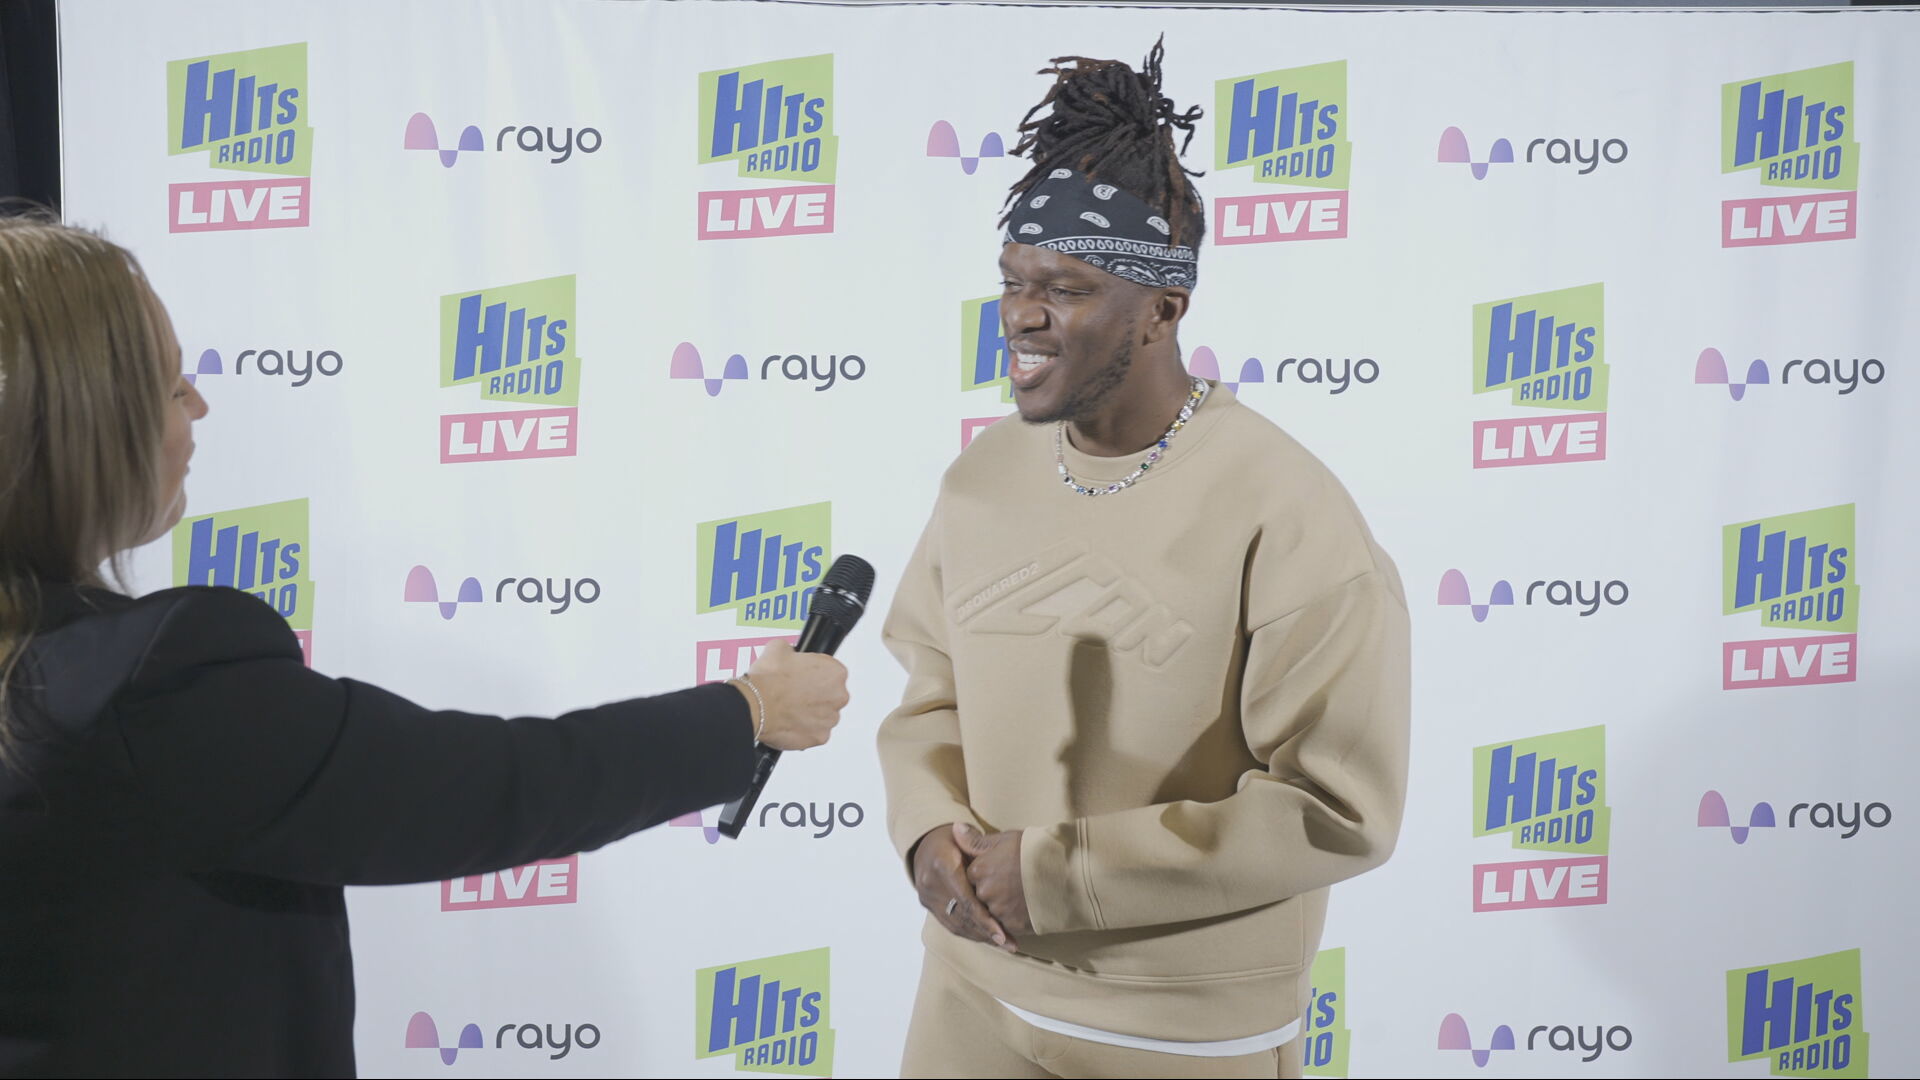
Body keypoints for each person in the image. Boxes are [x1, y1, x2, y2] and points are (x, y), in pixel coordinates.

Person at [0, 215, 850, 1078]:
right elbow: (488, 789)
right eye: (172, 386)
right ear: (87, 428)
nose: (199, 407)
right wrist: (747, 711)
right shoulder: (151, 681)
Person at [876, 42, 1410, 1079]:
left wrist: (1062, 873)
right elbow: (929, 696)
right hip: (972, 993)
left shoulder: (1288, 510)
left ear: (1164, 309)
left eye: (1067, 288)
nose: (1022, 316)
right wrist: (927, 829)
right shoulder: (982, 479)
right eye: (1013, 282)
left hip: (1181, 1030)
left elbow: (1337, 806)